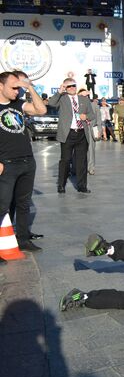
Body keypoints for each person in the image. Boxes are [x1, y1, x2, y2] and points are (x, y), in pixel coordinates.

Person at [0, 72, 47, 255]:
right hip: (6, 163)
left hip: (27, 161)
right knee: (2, 206)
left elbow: (41, 110)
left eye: (19, 87)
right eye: (13, 87)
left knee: (23, 204)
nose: (17, 91)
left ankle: (23, 240)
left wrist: (30, 88)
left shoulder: (19, 104)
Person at [47, 77, 96, 193]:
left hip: (81, 133)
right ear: (65, 87)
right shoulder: (62, 99)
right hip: (67, 133)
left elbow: (92, 115)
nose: (72, 88)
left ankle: (82, 186)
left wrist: (86, 117)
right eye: (68, 86)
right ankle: (61, 185)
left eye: (73, 85)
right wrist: (60, 91)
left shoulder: (83, 99)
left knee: (81, 161)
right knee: (65, 160)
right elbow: (51, 103)